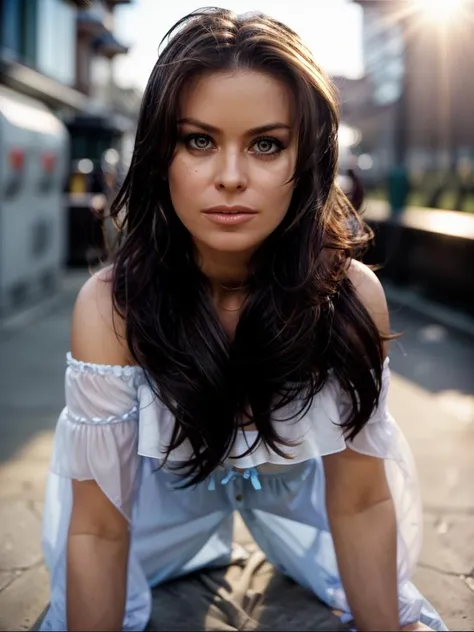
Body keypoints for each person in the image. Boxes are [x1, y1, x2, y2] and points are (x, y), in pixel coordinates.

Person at [40, 8, 447, 632]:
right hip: (150, 513)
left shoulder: (351, 296)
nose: (230, 178)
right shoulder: (111, 306)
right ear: (159, 154)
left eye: (266, 144)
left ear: (307, 156)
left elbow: (362, 501)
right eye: (198, 141)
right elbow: (96, 529)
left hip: (304, 512)